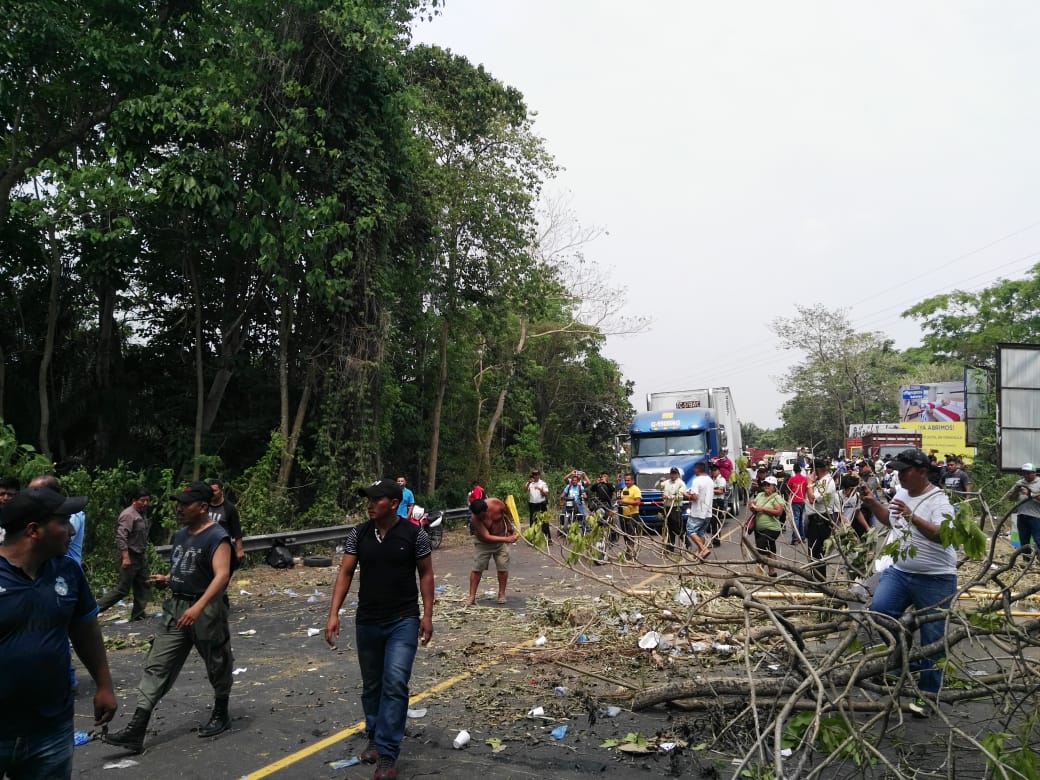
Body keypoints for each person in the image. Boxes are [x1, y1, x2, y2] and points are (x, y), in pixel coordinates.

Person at [103, 481, 234, 753]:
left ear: (202, 507)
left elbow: (222, 575)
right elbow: (184, 566)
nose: (180, 508)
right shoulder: (181, 535)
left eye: (185, 504)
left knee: (217, 661)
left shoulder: (217, 536)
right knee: (157, 663)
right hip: (175, 608)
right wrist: (169, 579)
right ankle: (137, 729)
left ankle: (221, 711)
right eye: (179, 504)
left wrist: (198, 607)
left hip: (205, 610)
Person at [0, 486, 117, 779]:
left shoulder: (68, 572)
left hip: (51, 729)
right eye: (63, 522)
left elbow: (85, 629)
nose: (72, 531)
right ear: (33, 530)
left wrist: (104, 684)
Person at [324, 479, 433, 779]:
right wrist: (333, 614)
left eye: (376, 499)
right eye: (368, 500)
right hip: (368, 620)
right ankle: (374, 734)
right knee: (372, 684)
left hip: (403, 620)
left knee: (395, 683)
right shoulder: (358, 533)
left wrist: (428, 615)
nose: (370, 504)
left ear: (394, 503)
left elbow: (425, 575)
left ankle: (387, 753)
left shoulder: (415, 534)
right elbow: (345, 572)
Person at [860, 448, 957, 718]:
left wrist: (912, 516)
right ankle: (906, 660)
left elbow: (945, 537)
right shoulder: (902, 493)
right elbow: (890, 521)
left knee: (933, 637)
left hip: (935, 578)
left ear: (923, 472)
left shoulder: (940, 502)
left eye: (904, 470)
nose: (899, 475)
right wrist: (873, 504)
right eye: (898, 470)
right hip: (900, 572)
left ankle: (928, 696)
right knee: (880, 612)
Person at [96, 488, 152, 621]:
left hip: (139, 556)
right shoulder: (128, 515)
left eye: (147, 501)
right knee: (123, 589)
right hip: (129, 555)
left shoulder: (141, 514)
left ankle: (138, 615)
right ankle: (93, 610)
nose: (145, 503)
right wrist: (126, 557)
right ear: (134, 501)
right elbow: (121, 537)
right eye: (142, 500)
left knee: (143, 584)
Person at [466, 497, 518, 606]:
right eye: (478, 516)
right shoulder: (475, 518)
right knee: (477, 568)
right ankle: (471, 596)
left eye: (482, 515)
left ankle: (501, 593)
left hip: (500, 541)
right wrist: (507, 539)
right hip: (483, 544)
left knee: (503, 567)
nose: (481, 518)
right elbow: (486, 536)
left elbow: (507, 512)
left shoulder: (495, 503)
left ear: (486, 510)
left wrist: (509, 526)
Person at [805, 457, 840, 581]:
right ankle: (815, 578)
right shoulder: (821, 481)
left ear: (818, 470)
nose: (810, 474)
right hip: (815, 519)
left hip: (820, 520)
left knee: (817, 552)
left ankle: (819, 580)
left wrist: (809, 483)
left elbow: (813, 499)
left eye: (812, 471)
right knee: (813, 551)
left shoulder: (825, 482)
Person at [748, 476, 785, 577]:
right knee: (769, 548)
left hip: (772, 528)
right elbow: (753, 504)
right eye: (765, 484)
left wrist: (762, 509)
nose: (766, 486)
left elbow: (778, 512)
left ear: (774, 486)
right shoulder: (760, 495)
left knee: (761, 548)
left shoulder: (776, 497)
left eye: (768, 485)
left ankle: (759, 572)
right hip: (759, 528)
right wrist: (752, 507)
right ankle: (772, 571)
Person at [1002, 463, 1040, 553]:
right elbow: (1010, 498)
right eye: (1024, 473)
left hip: (1036, 517)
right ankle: (1026, 563)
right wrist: (1016, 491)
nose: (1026, 475)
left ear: (1034, 473)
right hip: (1022, 516)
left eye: (1028, 473)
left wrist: (1029, 493)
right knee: (1024, 543)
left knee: (1038, 541)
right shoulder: (1019, 483)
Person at [206, 478, 245, 565]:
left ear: (221, 490)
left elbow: (237, 530)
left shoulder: (229, 508)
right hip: (205, 546)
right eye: (210, 491)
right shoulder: (204, 506)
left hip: (222, 547)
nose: (212, 493)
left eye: (215, 491)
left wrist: (239, 549)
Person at [686, 462, 715, 559]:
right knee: (700, 533)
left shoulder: (697, 480)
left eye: (694, 469)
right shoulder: (710, 480)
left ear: (697, 469)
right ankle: (700, 554)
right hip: (708, 511)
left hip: (698, 511)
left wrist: (686, 495)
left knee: (690, 530)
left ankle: (703, 549)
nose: (694, 471)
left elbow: (694, 497)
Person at [656, 467, 686, 554]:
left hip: (676, 507)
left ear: (677, 474)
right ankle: (670, 546)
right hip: (667, 507)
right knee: (669, 527)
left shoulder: (681, 483)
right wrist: (660, 481)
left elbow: (680, 496)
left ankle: (687, 543)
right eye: (672, 473)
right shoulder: (667, 482)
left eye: (675, 473)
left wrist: (669, 497)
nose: (673, 475)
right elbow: (657, 487)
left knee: (677, 527)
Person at [617, 473, 641, 557]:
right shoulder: (624, 489)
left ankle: (629, 552)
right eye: (625, 480)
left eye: (628, 480)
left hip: (633, 515)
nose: (626, 482)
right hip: (624, 515)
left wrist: (624, 502)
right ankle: (628, 549)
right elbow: (622, 500)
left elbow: (638, 502)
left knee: (631, 534)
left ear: (633, 481)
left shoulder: (636, 489)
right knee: (625, 534)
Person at [786, 463, 808, 544]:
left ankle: (795, 539)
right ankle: (802, 537)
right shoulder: (805, 479)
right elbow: (806, 489)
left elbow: (788, 489)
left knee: (796, 519)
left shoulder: (792, 479)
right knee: (800, 520)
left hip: (794, 501)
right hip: (802, 501)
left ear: (794, 471)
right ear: (800, 470)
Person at [709, 463, 727, 546]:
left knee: (716, 521)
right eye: (712, 470)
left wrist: (710, 490)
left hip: (718, 501)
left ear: (718, 471)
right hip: (713, 501)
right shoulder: (712, 479)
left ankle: (716, 541)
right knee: (713, 522)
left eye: (715, 470)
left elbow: (720, 491)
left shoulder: (721, 480)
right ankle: (714, 539)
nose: (713, 472)